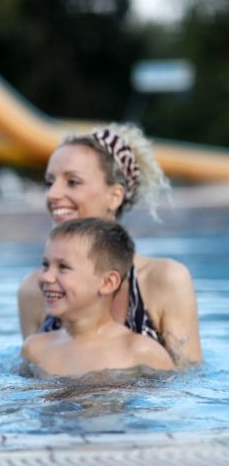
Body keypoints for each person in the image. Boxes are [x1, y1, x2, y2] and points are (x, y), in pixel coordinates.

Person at [17, 123, 202, 368]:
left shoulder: (165, 280)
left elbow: (186, 385)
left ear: (115, 196)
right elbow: (33, 381)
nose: (52, 194)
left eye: (72, 182)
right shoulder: (35, 289)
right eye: (50, 182)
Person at [21, 217, 176, 377]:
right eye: (45, 265)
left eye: (63, 267)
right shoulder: (35, 349)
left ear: (108, 282)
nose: (47, 277)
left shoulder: (140, 352)